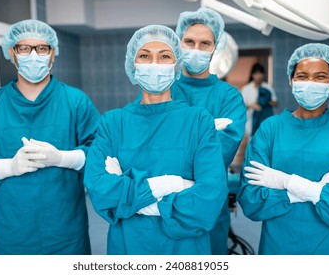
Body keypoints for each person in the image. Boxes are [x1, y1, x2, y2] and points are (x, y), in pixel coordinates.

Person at [0, 19, 101, 254]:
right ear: (12, 53)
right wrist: (9, 166)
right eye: (25, 48)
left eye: (42, 48)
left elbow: (102, 155)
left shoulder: (75, 102)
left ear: (53, 53)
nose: (34, 55)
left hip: (67, 235)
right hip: (15, 236)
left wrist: (63, 158)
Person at [84, 25, 228, 255]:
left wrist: (131, 199)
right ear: (133, 64)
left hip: (185, 251)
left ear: (176, 65)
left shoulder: (198, 120)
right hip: (128, 248)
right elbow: (100, 190)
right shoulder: (113, 123)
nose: (154, 65)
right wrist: (170, 185)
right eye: (144, 56)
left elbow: (210, 196)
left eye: (164, 57)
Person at [238, 43, 329, 254]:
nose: (310, 83)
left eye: (321, 77)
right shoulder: (270, 129)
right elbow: (250, 201)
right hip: (278, 251)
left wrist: (288, 183)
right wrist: (318, 191)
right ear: (291, 80)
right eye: (302, 76)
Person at [172, 7, 247, 255]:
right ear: (178, 43)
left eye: (205, 43)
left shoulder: (228, 97)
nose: (196, 49)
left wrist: (177, 146)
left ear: (215, 48)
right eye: (189, 42)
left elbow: (219, 155)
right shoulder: (162, 91)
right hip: (167, 201)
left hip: (211, 202)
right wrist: (204, 137)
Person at [241, 63, 278, 137]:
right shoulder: (246, 88)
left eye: (260, 73)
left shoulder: (268, 87)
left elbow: (275, 102)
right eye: (256, 73)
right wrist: (252, 105)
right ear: (252, 75)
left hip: (265, 119)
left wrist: (264, 102)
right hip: (251, 122)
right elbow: (242, 106)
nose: (259, 76)